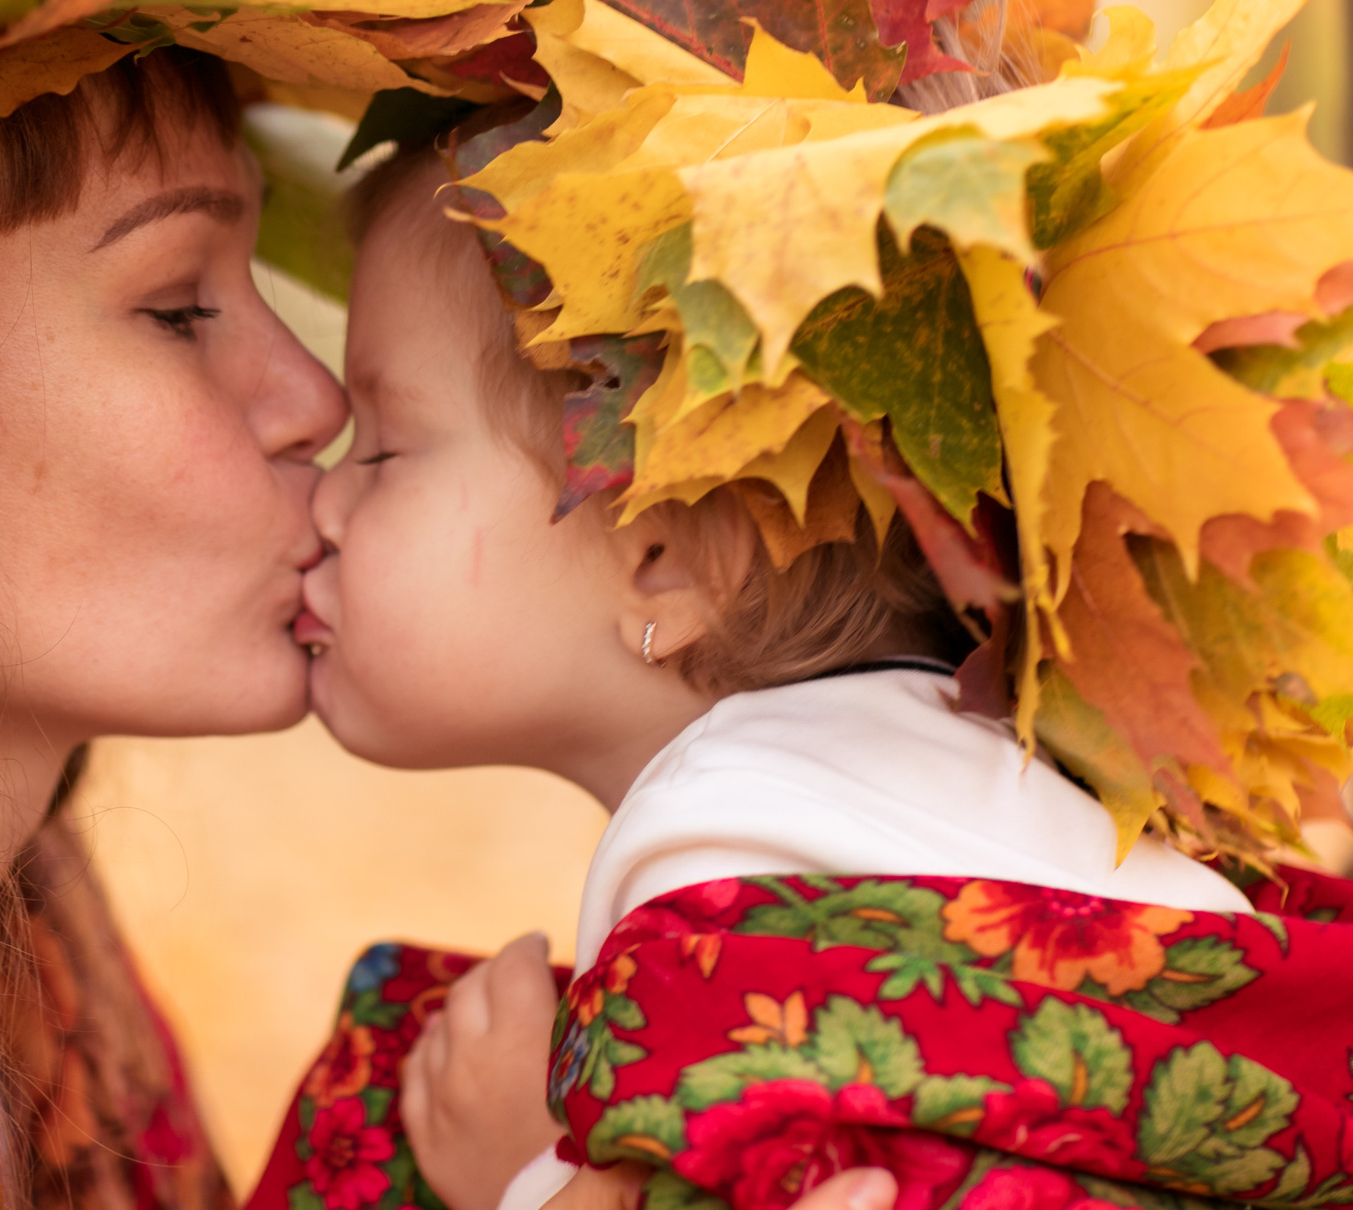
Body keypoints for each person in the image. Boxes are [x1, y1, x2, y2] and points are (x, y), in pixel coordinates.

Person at [289, 139, 1260, 1210]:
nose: (321, 507)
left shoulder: (733, 853)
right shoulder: (951, 792)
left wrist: (524, 1172)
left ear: (664, 562)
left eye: (381, 450)